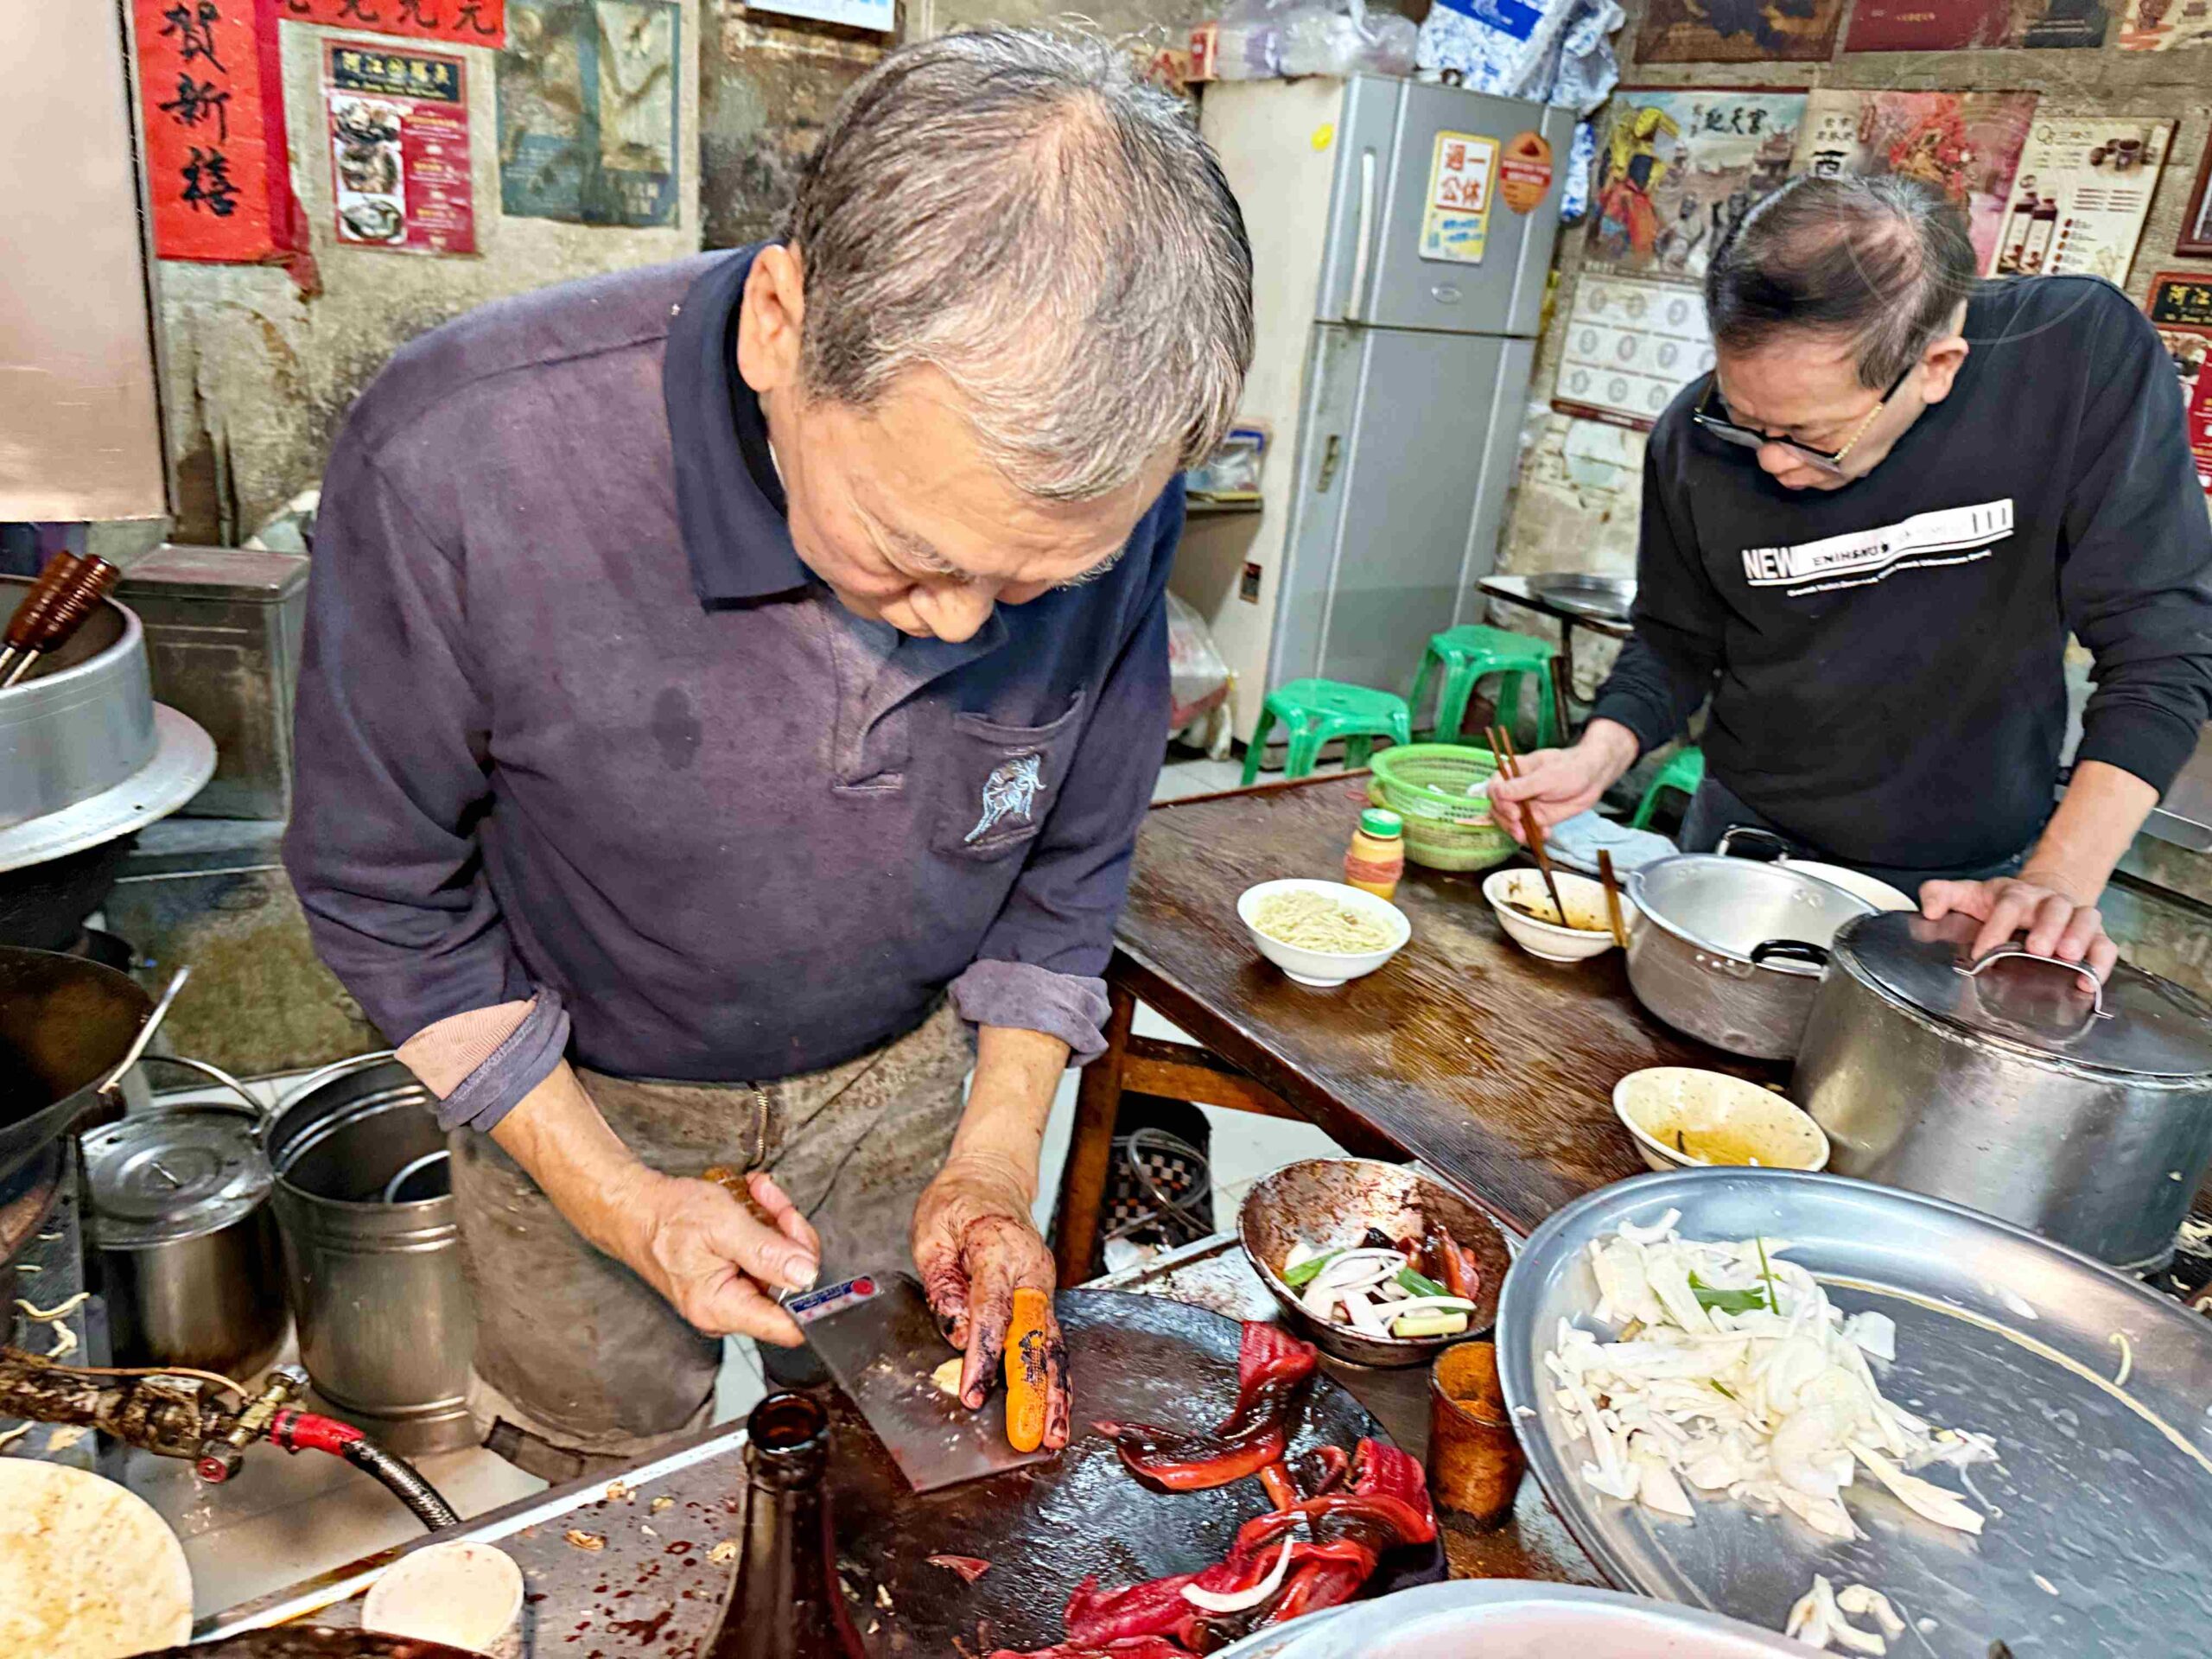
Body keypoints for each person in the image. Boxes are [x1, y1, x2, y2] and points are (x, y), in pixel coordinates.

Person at [282, 29, 1253, 1479]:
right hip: (579, 1084)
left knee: (902, 1476)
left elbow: (1069, 870)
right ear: (783, 327)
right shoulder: (460, 462)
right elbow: (386, 902)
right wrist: (625, 1205)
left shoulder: (1087, 496)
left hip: (913, 1078)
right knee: (607, 1488)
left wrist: (992, 1157)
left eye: (1036, 585)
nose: (966, 627)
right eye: (912, 558)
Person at [1491, 174, 2212, 982]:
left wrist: (2055, 882)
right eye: (1745, 420)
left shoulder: (2073, 358)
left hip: (1958, 888)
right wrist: (1599, 755)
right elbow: (1676, 638)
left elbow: (2163, 649)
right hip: (1743, 849)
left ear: (1936, 367)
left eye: (1809, 436)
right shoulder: (1693, 442)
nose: (1770, 459)